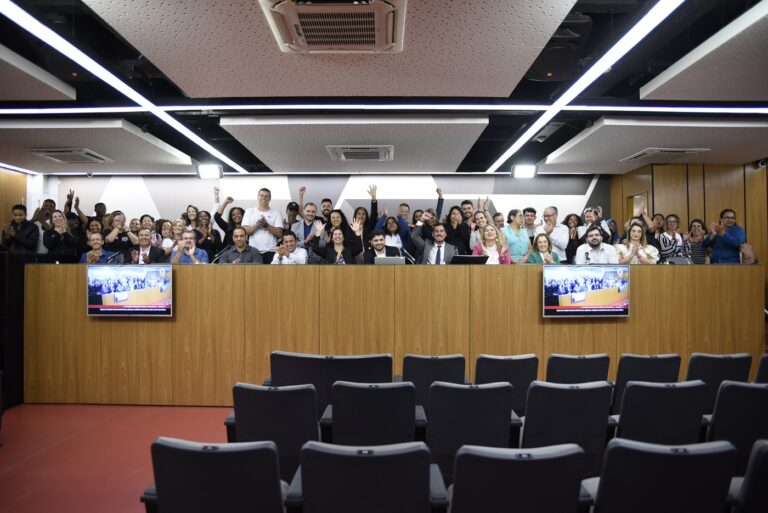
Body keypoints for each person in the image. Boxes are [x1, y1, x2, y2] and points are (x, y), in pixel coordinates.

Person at [242, 187, 283, 263]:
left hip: (271, 251)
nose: (264, 197)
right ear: (258, 197)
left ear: (270, 199)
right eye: (261, 195)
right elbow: (244, 231)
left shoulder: (276, 212)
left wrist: (266, 225)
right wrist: (257, 225)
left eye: (266, 196)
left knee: (270, 274)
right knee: (254, 274)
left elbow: (280, 233)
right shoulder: (249, 211)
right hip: (253, 251)